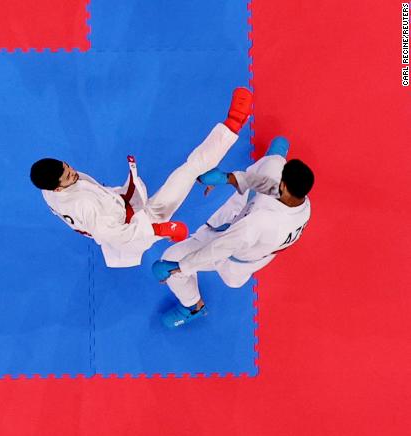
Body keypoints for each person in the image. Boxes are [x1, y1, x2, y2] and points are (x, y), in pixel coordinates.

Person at [30, 87, 254, 268]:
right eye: (69, 176)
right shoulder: (84, 206)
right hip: (135, 230)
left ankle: (231, 125)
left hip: (118, 208)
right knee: (189, 170)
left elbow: (90, 199)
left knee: (188, 171)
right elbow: (115, 235)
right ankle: (234, 124)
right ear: (59, 189)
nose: (74, 173)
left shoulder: (49, 187)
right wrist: (162, 230)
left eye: (68, 167)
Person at [151, 137, 314, 328]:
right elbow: (271, 187)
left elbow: (220, 248)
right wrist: (227, 178)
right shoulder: (304, 206)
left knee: (169, 260)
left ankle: (193, 307)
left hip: (236, 256)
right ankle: (275, 157)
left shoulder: (260, 222)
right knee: (274, 163)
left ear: (285, 186)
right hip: (252, 234)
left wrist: (182, 266)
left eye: (282, 181)